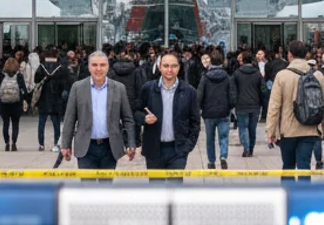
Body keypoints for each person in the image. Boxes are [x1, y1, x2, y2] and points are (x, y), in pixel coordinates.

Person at [60, 51, 137, 176]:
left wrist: (131, 144)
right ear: (89, 67)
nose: (98, 69)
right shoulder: (78, 87)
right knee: (87, 189)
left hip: (110, 146)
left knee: (105, 190)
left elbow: (128, 119)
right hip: (86, 146)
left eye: (102, 65)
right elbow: (70, 118)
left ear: (108, 66)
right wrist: (65, 145)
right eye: (94, 65)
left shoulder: (119, 88)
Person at [265, 40, 324, 182]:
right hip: (310, 128)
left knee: (288, 166)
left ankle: (288, 198)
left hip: (288, 130)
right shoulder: (317, 75)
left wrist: (270, 131)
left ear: (290, 55)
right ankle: (303, 200)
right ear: (306, 54)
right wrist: (323, 127)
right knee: (304, 166)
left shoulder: (282, 75)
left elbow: (274, 106)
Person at [138, 51, 200, 182]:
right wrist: (144, 118)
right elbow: (136, 112)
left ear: (179, 67)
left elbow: (195, 122)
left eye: (174, 66)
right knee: (156, 190)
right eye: (165, 66)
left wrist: (187, 147)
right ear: (159, 67)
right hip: (154, 149)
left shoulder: (189, 92)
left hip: (178, 150)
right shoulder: (148, 89)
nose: (169, 70)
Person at [196, 49, 236, 170]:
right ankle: (223, 157)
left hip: (209, 113)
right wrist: (229, 107)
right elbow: (233, 96)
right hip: (224, 112)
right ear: (222, 62)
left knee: (210, 138)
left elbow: (199, 96)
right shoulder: (227, 77)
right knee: (223, 137)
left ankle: (211, 161)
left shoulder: (205, 78)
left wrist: (201, 109)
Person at [34, 48, 70, 152]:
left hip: (43, 99)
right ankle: (56, 144)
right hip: (56, 99)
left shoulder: (41, 67)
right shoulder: (61, 68)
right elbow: (66, 82)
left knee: (41, 123)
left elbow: (36, 80)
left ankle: (41, 144)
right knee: (56, 124)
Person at [231, 50, 265, 157]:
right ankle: (251, 148)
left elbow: (232, 90)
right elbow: (263, 90)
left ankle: (246, 148)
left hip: (241, 105)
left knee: (243, 127)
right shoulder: (257, 73)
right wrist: (262, 103)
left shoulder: (237, 73)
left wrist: (233, 102)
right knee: (252, 128)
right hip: (255, 105)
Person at [0, 57, 28, 151]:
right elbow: (24, 90)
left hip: (4, 103)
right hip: (16, 103)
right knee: (15, 124)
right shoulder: (19, 76)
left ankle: (7, 143)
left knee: (5, 124)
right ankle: (14, 143)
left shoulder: (1, 75)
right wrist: (25, 99)